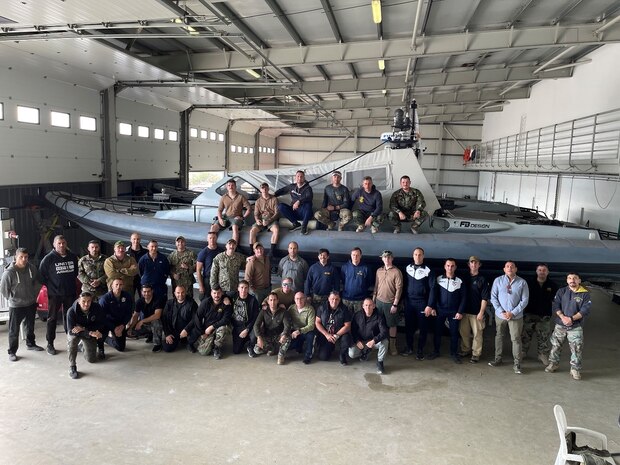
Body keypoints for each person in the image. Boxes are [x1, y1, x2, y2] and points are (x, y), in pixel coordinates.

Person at [545, 273, 591, 380]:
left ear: (579, 280)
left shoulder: (585, 294)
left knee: (576, 348)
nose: (572, 280)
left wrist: (571, 319)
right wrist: (563, 317)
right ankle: (553, 364)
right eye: (570, 278)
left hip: (576, 326)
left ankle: (575, 369)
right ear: (567, 280)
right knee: (555, 345)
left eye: (575, 278)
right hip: (560, 324)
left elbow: (585, 310)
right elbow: (556, 305)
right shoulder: (562, 291)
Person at [1, 247, 44, 361]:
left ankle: (31, 344)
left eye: (26, 257)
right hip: (16, 306)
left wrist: (34, 295)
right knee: (14, 330)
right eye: (21, 257)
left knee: (30, 327)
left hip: (30, 303)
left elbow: (36, 282)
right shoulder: (9, 273)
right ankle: (12, 352)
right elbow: (4, 289)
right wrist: (13, 298)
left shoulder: (32, 268)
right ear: (16, 257)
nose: (24, 259)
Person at [39, 234, 79, 356]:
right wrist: (52, 286)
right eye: (59, 243)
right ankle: (50, 343)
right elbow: (41, 276)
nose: (61, 245)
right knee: (52, 319)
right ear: (54, 245)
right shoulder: (48, 258)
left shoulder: (72, 257)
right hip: (55, 295)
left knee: (70, 317)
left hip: (70, 293)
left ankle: (71, 341)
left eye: (63, 243)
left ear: (66, 244)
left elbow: (75, 273)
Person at [489, 260, 529, 374]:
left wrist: (513, 312)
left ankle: (517, 363)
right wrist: (501, 311)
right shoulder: (498, 281)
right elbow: (493, 297)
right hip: (500, 315)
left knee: (516, 339)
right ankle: (498, 359)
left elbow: (525, 300)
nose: (510, 268)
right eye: (507, 266)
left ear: (516, 269)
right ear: (504, 269)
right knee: (499, 336)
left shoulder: (522, 282)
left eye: (512, 266)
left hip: (516, 317)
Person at [428, 258, 465, 363]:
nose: (450, 268)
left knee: (454, 333)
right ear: (445, 266)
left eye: (452, 266)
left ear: (455, 267)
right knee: (437, 332)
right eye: (448, 265)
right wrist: (433, 307)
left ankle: (454, 353)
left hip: (454, 311)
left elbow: (464, 297)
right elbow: (434, 294)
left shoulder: (459, 280)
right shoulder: (439, 279)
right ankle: (436, 351)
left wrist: (460, 311)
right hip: (440, 310)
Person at [403, 247, 435, 360]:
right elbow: (403, 286)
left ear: (423, 256)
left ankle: (420, 350)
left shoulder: (428, 270)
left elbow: (432, 289)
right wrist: (403, 301)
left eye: (420, 254)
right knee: (409, 327)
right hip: (409, 302)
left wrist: (430, 305)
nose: (417, 256)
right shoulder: (407, 268)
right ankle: (409, 347)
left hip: (422, 303)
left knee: (423, 328)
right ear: (413, 255)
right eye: (416, 254)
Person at [182, 286, 232, 359]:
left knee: (224, 328)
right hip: (207, 329)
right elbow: (197, 317)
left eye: (218, 293)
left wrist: (212, 327)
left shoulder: (226, 303)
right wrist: (202, 332)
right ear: (211, 293)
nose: (216, 295)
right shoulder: (205, 303)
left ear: (222, 293)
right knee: (204, 352)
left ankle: (217, 348)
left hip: (219, 327)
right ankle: (206, 342)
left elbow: (225, 320)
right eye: (214, 293)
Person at [523, 263, 558, 366]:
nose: (542, 272)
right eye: (540, 270)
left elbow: (556, 301)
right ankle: (523, 352)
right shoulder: (529, 283)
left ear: (547, 272)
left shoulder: (552, 285)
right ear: (536, 271)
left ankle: (542, 354)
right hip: (529, 314)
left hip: (544, 316)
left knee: (543, 336)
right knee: (525, 335)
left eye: (544, 270)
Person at [66, 291, 105, 379]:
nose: (86, 304)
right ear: (79, 301)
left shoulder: (97, 308)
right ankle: (72, 366)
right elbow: (71, 331)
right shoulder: (71, 311)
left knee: (91, 360)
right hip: (79, 334)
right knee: (72, 340)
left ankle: (82, 346)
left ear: (92, 301)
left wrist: (83, 328)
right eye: (83, 301)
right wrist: (89, 332)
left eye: (89, 301)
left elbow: (101, 324)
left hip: (87, 332)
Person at [459, 256, 490, 364]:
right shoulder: (463, 277)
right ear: (469, 265)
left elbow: (484, 298)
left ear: (479, 265)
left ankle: (476, 354)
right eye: (471, 263)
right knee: (464, 333)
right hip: (464, 311)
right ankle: (465, 350)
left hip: (477, 313)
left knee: (477, 334)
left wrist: (481, 312)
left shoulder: (483, 279)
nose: (474, 265)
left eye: (476, 263)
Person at [373, 250, 403, 356]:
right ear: (382, 258)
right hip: (379, 302)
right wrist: (373, 300)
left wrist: (395, 304)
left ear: (392, 258)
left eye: (389, 257)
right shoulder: (378, 271)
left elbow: (399, 289)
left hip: (390, 303)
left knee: (392, 325)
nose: (387, 259)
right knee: (378, 323)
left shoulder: (397, 272)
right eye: (385, 257)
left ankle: (392, 345)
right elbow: (376, 286)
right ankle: (379, 342)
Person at [348, 298, 389, 374]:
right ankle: (365, 352)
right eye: (366, 305)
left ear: (374, 306)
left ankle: (380, 362)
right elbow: (352, 330)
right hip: (361, 341)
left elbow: (384, 332)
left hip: (373, 341)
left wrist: (374, 340)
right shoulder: (357, 315)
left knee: (385, 341)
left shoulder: (379, 316)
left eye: (370, 305)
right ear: (363, 306)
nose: (368, 307)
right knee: (352, 354)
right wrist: (357, 341)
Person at [98, 277, 134, 358]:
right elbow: (101, 317)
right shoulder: (105, 299)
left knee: (121, 347)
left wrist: (122, 326)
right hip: (107, 322)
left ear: (123, 286)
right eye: (116, 284)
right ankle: (101, 348)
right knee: (101, 332)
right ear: (112, 286)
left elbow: (129, 313)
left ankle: (107, 339)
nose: (118, 287)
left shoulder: (127, 296)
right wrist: (114, 328)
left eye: (120, 285)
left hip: (120, 323)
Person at [252, 292, 291, 365]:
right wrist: (259, 337)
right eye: (271, 300)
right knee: (256, 350)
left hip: (278, 336)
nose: (273, 302)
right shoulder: (263, 311)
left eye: (274, 300)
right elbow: (256, 325)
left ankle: (281, 355)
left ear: (278, 301)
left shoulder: (283, 312)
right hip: (267, 336)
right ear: (268, 301)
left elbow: (287, 325)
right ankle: (272, 349)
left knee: (288, 337)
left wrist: (284, 335)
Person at [314, 291, 353, 365]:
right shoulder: (322, 308)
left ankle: (342, 354)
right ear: (328, 299)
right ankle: (330, 346)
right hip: (326, 333)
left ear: (340, 300)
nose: (334, 301)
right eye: (332, 299)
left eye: (336, 299)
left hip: (339, 333)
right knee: (323, 357)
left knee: (346, 338)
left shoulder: (344, 309)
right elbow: (317, 322)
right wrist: (326, 334)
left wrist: (337, 335)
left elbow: (347, 326)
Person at [210, 178, 251, 245]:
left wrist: (243, 217)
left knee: (234, 227)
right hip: (226, 217)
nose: (230, 187)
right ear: (227, 187)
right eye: (229, 185)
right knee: (213, 227)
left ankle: (234, 248)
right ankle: (212, 246)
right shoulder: (224, 197)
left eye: (232, 185)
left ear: (235, 187)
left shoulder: (241, 197)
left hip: (236, 218)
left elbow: (249, 208)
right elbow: (219, 210)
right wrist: (220, 219)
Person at [127, 283, 165, 352]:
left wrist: (142, 321)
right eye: (144, 292)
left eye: (148, 291)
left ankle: (157, 344)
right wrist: (130, 328)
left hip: (157, 322)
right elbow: (135, 315)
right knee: (131, 331)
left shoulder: (158, 300)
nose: (146, 294)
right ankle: (150, 335)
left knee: (156, 322)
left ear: (152, 291)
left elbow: (157, 315)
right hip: (146, 323)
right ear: (141, 292)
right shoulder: (139, 301)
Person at [161, 285, 197, 353]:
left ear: (185, 292)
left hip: (188, 331)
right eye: (178, 292)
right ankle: (180, 340)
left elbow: (195, 319)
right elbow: (164, 319)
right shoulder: (169, 303)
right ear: (174, 293)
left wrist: (186, 330)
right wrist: (167, 334)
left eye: (182, 292)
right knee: (167, 348)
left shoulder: (192, 303)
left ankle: (189, 343)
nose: (180, 294)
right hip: (174, 331)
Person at [276, 170, 313, 235]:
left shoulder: (308, 188)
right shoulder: (292, 186)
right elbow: (282, 190)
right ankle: (296, 224)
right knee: (280, 206)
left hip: (304, 213)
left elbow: (309, 197)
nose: (299, 178)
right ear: (295, 177)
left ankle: (304, 227)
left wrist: (299, 201)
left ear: (304, 178)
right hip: (294, 211)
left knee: (308, 204)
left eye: (301, 177)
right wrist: (272, 195)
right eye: (298, 176)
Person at [230, 280, 260, 356]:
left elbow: (255, 317)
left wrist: (247, 329)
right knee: (236, 351)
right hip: (238, 326)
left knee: (254, 334)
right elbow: (222, 295)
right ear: (238, 288)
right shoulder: (233, 297)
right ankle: (244, 340)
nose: (244, 290)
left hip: (249, 325)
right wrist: (225, 299)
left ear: (248, 289)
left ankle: (250, 345)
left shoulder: (253, 300)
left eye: (246, 288)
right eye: (242, 287)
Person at [340, 247, 373, 314]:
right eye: (353, 255)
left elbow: (369, 282)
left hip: (360, 300)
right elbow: (343, 280)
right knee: (346, 319)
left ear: (360, 256)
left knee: (359, 320)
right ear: (351, 255)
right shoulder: (345, 267)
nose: (355, 257)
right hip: (346, 299)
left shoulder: (366, 268)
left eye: (357, 255)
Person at [249, 182, 279, 255]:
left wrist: (269, 220)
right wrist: (257, 220)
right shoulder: (258, 201)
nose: (264, 189)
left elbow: (277, 213)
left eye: (266, 188)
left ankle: (272, 252)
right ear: (260, 190)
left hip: (271, 220)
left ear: (268, 189)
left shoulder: (274, 199)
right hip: (261, 220)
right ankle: (252, 251)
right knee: (252, 231)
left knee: (276, 229)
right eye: (262, 188)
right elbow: (256, 214)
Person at [287, 292, 316, 364]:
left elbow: (311, 325)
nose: (299, 301)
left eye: (301, 298)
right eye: (297, 299)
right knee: (289, 346)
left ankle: (308, 356)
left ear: (305, 299)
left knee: (311, 336)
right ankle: (298, 345)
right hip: (294, 331)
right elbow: (287, 320)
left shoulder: (310, 309)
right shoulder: (291, 308)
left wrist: (300, 331)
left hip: (306, 331)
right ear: (294, 300)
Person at [196, 232, 221, 301]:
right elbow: (198, 270)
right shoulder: (203, 253)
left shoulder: (220, 251)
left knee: (218, 299)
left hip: (219, 279)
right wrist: (201, 286)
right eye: (210, 238)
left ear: (216, 239)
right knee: (206, 300)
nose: (212, 240)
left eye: (214, 238)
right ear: (207, 239)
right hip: (207, 280)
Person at [127, 232, 147, 298]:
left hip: (142, 279)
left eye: (138, 239)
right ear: (130, 239)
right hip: (129, 279)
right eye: (134, 239)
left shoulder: (146, 252)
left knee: (144, 298)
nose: (136, 241)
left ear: (140, 240)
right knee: (129, 298)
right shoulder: (125, 251)